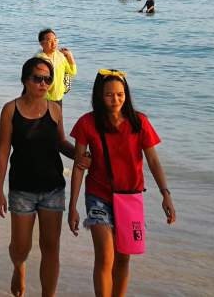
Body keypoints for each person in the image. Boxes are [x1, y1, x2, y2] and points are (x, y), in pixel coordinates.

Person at [69, 70, 176, 297]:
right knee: (105, 256)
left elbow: (153, 160)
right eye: (109, 95)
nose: (115, 100)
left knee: (124, 257)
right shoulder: (87, 123)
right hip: (98, 195)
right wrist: (73, 206)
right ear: (100, 96)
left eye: (120, 94)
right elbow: (79, 167)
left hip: (130, 197)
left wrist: (165, 194)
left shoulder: (139, 122)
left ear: (126, 95)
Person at [0, 56, 86, 297]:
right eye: (38, 78)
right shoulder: (10, 110)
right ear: (25, 79)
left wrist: (78, 155)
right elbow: (3, 150)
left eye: (47, 79)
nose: (43, 84)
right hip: (21, 189)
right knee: (21, 247)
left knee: (51, 247)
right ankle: (19, 267)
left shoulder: (55, 109)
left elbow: (60, 142)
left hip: (53, 188)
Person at [37, 29, 78, 105]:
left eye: (55, 40)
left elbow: (72, 72)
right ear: (42, 43)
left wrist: (69, 55)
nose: (54, 43)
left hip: (58, 98)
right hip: (43, 99)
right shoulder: (39, 59)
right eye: (49, 41)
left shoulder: (60, 56)